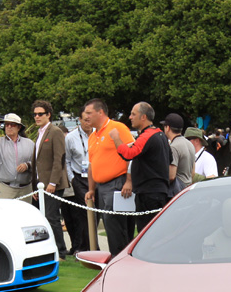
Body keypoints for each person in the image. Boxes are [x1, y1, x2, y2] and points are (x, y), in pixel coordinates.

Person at [109, 102, 171, 232]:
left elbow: (128, 154)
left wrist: (116, 138)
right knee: (156, 230)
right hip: (158, 191)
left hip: (149, 193)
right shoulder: (160, 135)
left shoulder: (147, 136)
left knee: (147, 232)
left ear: (143, 117)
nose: (130, 117)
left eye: (133, 114)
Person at [84, 98, 135, 255]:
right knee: (110, 224)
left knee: (116, 225)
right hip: (102, 187)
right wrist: (91, 189)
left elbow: (132, 154)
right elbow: (92, 164)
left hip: (118, 183)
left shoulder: (117, 128)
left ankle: (120, 259)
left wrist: (129, 181)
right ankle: (118, 258)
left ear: (100, 113)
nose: (85, 116)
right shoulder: (93, 136)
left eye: (89, 113)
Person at [32, 100, 69, 259]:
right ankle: (49, 250)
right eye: (35, 114)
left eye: (40, 114)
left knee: (52, 217)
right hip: (41, 185)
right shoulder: (39, 133)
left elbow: (59, 158)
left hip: (53, 184)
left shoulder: (55, 131)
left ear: (48, 115)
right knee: (44, 218)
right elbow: (37, 162)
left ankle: (61, 252)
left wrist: (53, 182)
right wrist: (35, 187)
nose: (37, 117)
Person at [0, 113, 34, 203]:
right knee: (7, 216)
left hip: (25, 188)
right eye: (7, 124)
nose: (9, 127)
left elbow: (37, 162)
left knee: (25, 216)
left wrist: (27, 165)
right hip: (6, 188)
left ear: (19, 127)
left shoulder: (29, 143)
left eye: (13, 124)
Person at [63, 110, 92, 253]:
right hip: (79, 178)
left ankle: (92, 246)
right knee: (82, 214)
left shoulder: (98, 135)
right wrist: (72, 179)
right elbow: (67, 160)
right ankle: (83, 248)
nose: (88, 122)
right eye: (85, 120)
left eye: (90, 119)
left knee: (95, 213)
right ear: (79, 119)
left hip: (96, 177)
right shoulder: (71, 137)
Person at [161, 112, 194, 194]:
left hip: (178, 192)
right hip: (188, 188)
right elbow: (192, 172)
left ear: (167, 128)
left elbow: (171, 176)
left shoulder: (174, 147)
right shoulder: (189, 144)